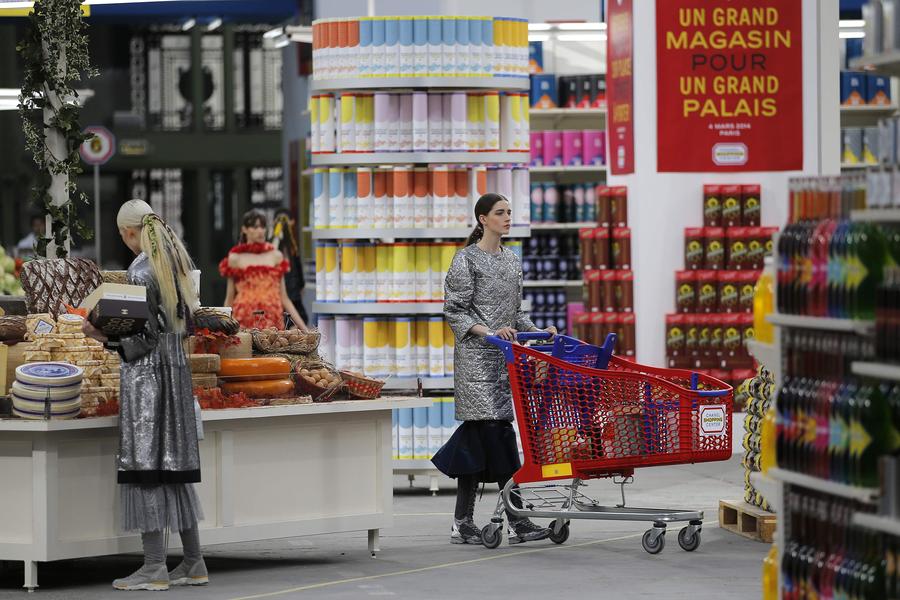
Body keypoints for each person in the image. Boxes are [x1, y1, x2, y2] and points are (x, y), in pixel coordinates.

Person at [83, 199, 208, 591]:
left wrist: (101, 334)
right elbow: (185, 324)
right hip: (177, 373)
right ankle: (193, 562)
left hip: (148, 380)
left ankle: (154, 566)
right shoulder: (176, 264)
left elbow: (143, 337)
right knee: (175, 468)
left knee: (147, 469)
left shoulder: (139, 270)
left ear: (128, 232)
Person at [432, 193, 557, 546]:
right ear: (483, 219)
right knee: (498, 433)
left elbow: (515, 313)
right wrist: (489, 332)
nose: (507, 218)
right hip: (475, 360)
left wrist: (537, 330)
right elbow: (455, 310)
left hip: (506, 361)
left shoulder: (512, 261)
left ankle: (462, 522)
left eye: (509, 212)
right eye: (500, 213)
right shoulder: (465, 260)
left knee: (479, 436)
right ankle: (518, 521)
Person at [220, 209, 308, 331]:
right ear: (244, 229)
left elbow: (284, 298)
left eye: (262, 226)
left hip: (272, 324)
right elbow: (229, 298)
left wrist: (305, 329)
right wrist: (223, 331)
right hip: (244, 323)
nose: (260, 231)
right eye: (255, 227)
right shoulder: (235, 258)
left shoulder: (276, 256)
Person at [271, 208, 309, 327]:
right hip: (278, 298)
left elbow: (298, 269)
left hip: (293, 297)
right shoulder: (274, 246)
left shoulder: (291, 247)